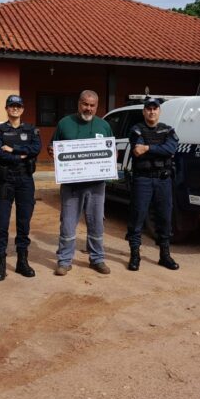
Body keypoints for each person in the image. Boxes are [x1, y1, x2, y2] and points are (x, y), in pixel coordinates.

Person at [48, 90, 114, 276]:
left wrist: (111, 157)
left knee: (96, 223)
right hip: (71, 185)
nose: (88, 108)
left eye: (92, 105)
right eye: (85, 104)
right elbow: (52, 146)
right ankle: (64, 260)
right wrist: (53, 152)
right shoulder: (64, 123)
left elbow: (111, 149)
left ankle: (97, 259)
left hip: (96, 185)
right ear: (79, 104)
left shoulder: (104, 126)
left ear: (97, 106)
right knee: (68, 223)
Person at [0, 95, 42, 281]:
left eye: (18, 106)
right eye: (12, 106)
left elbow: (36, 150)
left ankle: (22, 262)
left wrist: (13, 149)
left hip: (25, 180)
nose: (15, 108)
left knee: (23, 222)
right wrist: (20, 156)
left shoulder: (31, 130)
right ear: (6, 108)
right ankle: (1, 263)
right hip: (4, 179)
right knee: (2, 223)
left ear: (23, 109)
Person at [126, 97, 180, 271]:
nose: (151, 111)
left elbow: (170, 149)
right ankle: (135, 256)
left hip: (163, 180)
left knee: (164, 217)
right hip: (143, 179)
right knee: (138, 217)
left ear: (159, 111)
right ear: (144, 111)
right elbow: (137, 151)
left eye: (154, 108)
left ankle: (165, 255)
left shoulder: (168, 130)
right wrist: (159, 150)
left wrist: (148, 148)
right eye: (148, 108)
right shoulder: (136, 130)